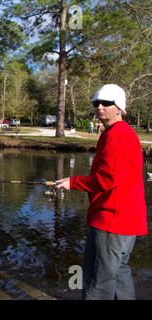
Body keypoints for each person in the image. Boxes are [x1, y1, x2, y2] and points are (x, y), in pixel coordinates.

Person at [55, 84, 148, 300]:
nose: (99, 107)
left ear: (119, 108)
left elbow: (108, 178)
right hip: (127, 221)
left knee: (97, 283)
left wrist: (74, 182)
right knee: (120, 273)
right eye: (96, 103)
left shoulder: (118, 134)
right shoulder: (119, 133)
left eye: (106, 103)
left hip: (111, 220)